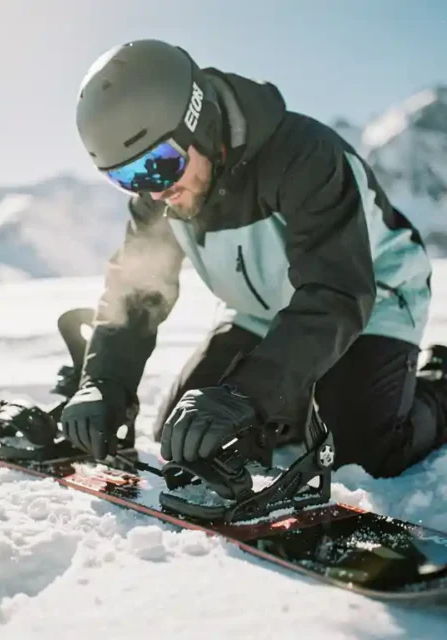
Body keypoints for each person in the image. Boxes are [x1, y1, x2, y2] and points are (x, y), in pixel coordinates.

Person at [61, 38, 447, 478]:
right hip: (262, 311)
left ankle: (440, 386)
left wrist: (249, 394)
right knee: (186, 436)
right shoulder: (164, 194)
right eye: (126, 177)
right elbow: (135, 292)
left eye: (159, 163)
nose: (152, 189)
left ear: (199, 122)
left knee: (360, 452)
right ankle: (299, 396)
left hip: (373, 298)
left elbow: (339, 292)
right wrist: (104, 382)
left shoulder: (303, 156)